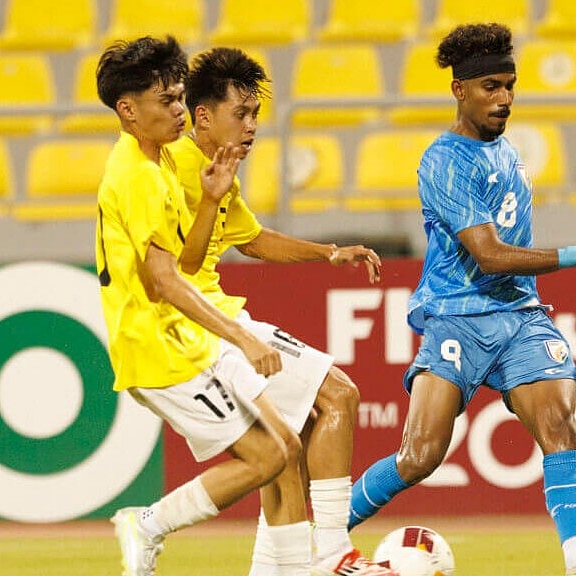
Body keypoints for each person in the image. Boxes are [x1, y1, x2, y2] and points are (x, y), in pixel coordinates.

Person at [347, 23, 576, 576]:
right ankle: (319, 538)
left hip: (519, 315)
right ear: (460, 90)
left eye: (509, 85)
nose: (503, 98)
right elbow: (488, 254)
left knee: (560, 424)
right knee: (420, 457)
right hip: (458, 315)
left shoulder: (509, 152)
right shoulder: (445, 160)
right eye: (489, 86)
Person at [166, 46, 391, 576]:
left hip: (210, 319)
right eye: (240, 114)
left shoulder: (218, 171)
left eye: (255, 116)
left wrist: (330, 252)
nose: (251, 127)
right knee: (337, 395)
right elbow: (177, 266)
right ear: (203, 116)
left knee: (286, 447)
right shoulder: (173, 166)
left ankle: (281, 567)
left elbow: (254, 239)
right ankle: (334, 550)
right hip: (200, 326)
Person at [95, 36, 312, 576]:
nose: (179, 110)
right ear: (128, 109)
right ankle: (147, 523)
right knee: (266, 456)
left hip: (182, 335)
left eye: (178, 98)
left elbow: (187, 264)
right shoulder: (140, 177)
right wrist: (241, 336)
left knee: (284, 443)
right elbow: (166, 282)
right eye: (167, 101)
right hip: (159, 346)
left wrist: (213, 198)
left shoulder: (159, 160)